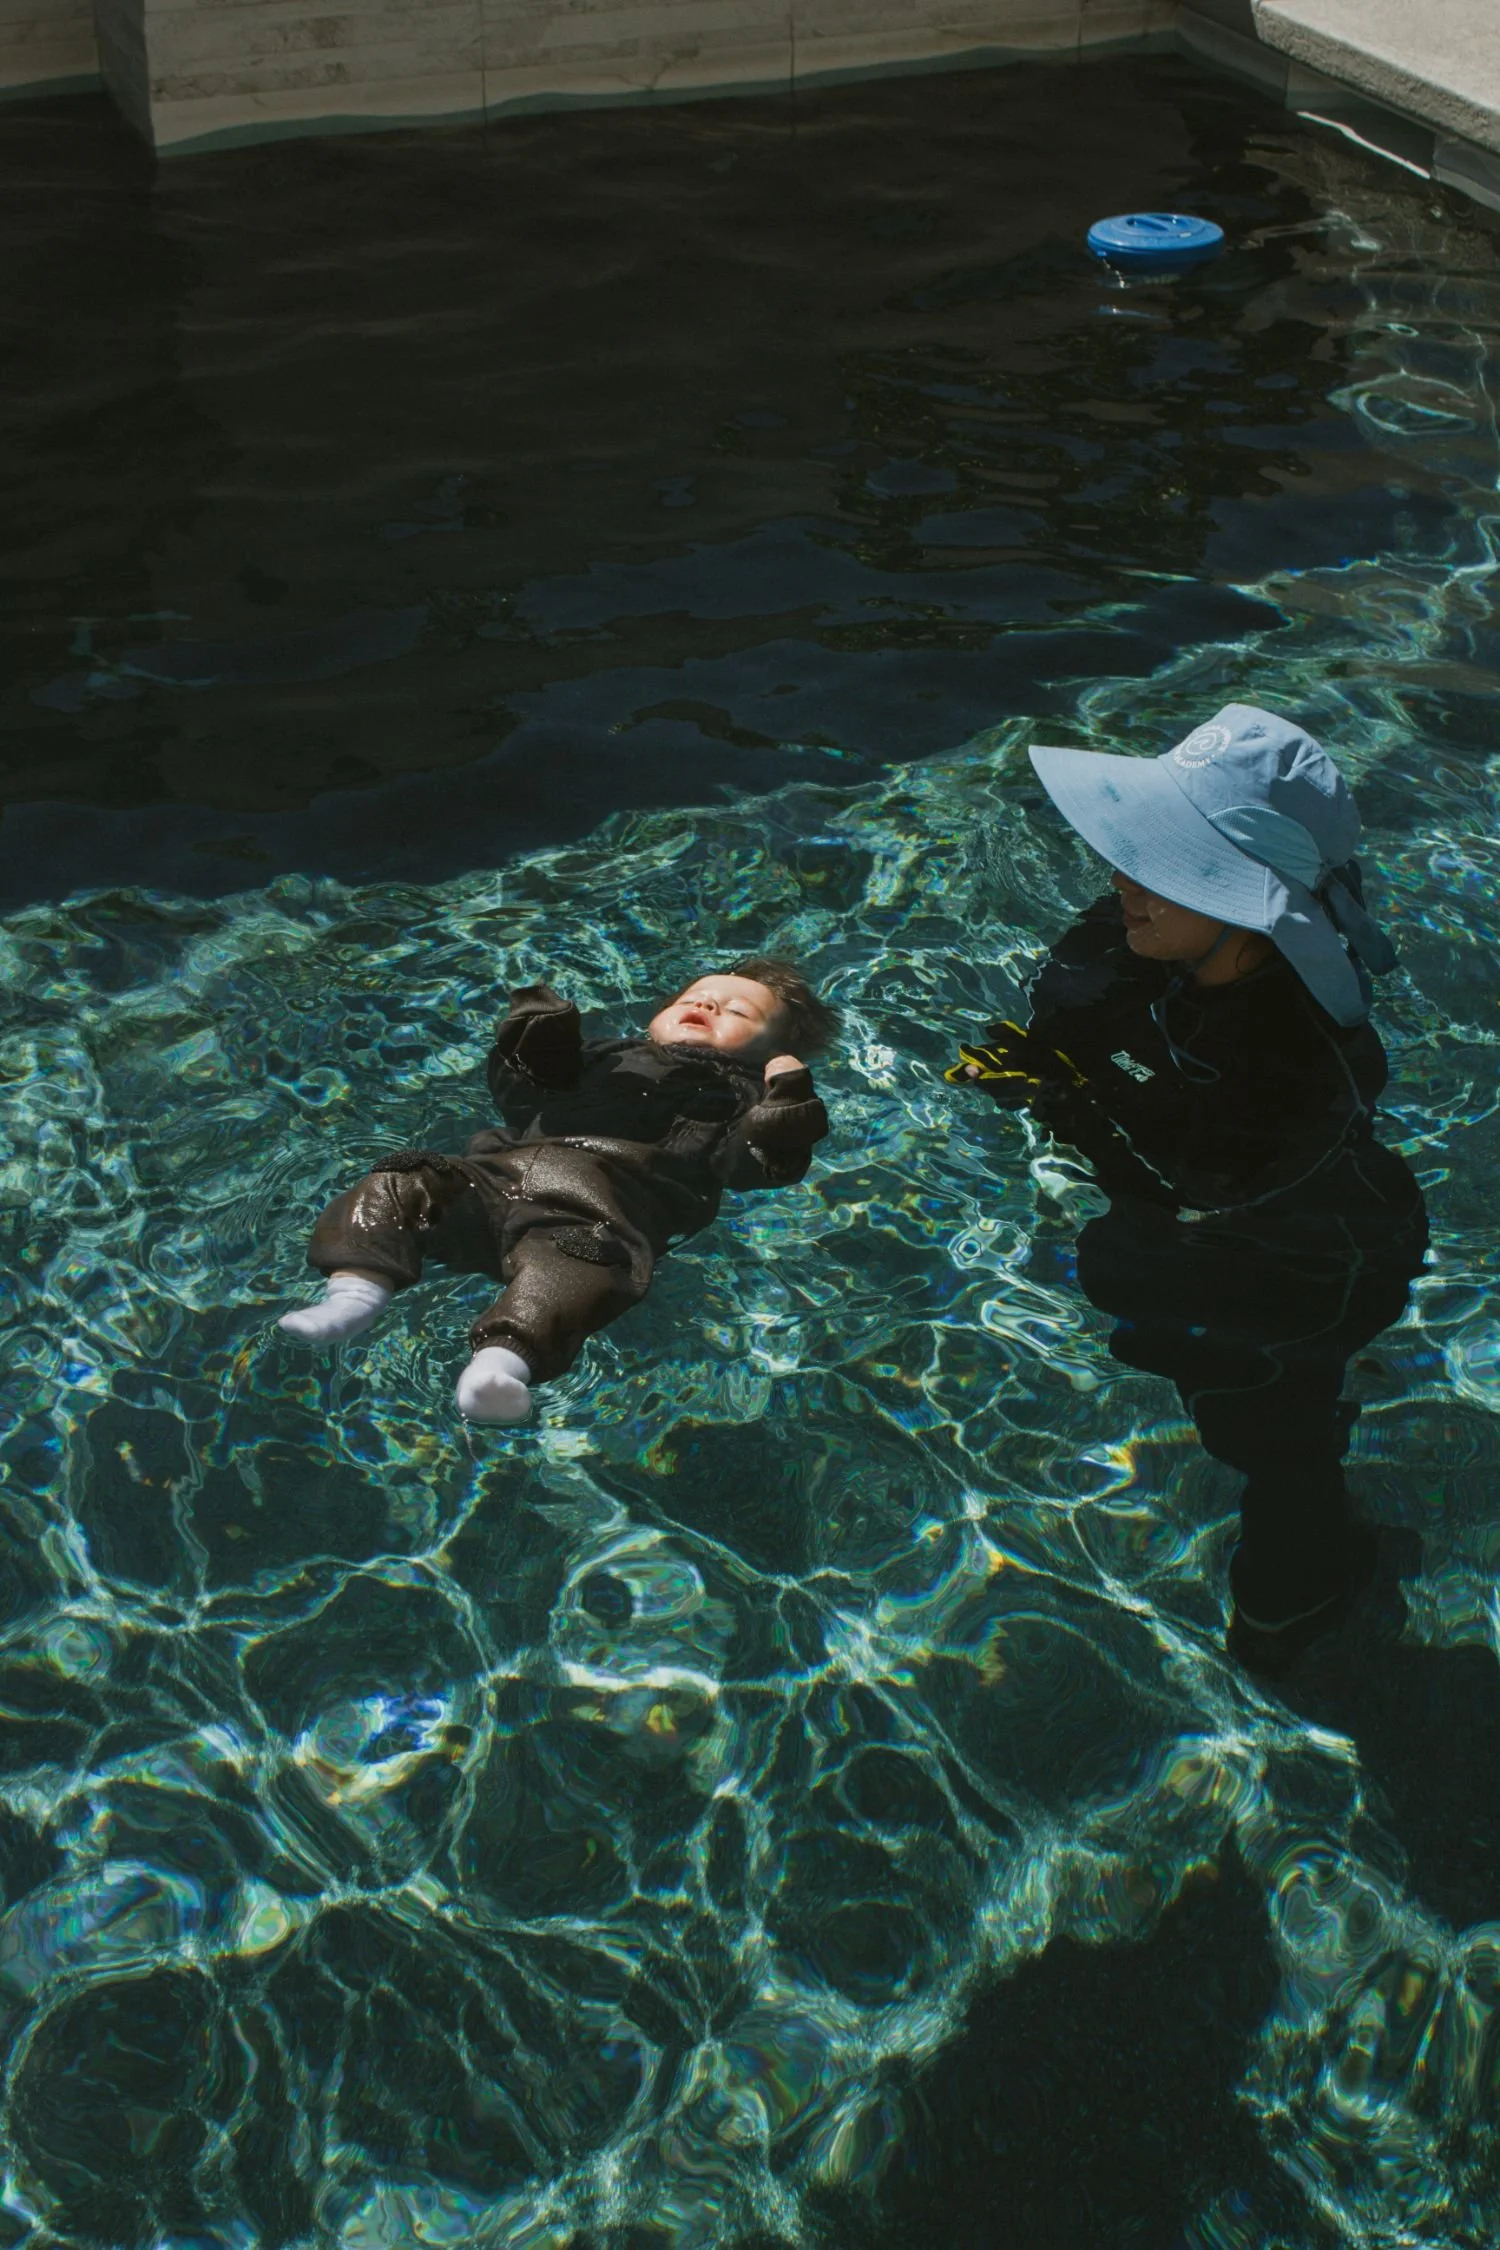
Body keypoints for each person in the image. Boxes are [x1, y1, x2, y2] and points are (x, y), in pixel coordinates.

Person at [950, 704, 1428, 1668]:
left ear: (1251, 898)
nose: (1123, 877)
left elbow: (1194, 1177)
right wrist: (1051, 1074)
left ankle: (1296, 1602)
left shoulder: (1297, 1061)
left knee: (1269, 1439)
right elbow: (1059, 1027)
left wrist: (1064, 1098)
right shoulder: (1152, 931)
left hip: (1303, 1267)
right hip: (1195, 1220)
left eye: (1164, 862)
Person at [279, 959, 835, 1424]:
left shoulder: (740, 1097)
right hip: (492, 1180)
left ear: (771, 1056)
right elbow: (520, 1097)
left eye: (738, 1012)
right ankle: (353, 1297)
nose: (710, 1006)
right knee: (404, 1177)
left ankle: (501, 1366)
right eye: (698, 997)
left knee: (582, 1272)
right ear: (658, 1016)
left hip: (601, 1211)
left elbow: (753, 1167)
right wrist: (535, 1041)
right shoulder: (606, 1055)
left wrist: (784, 1113)